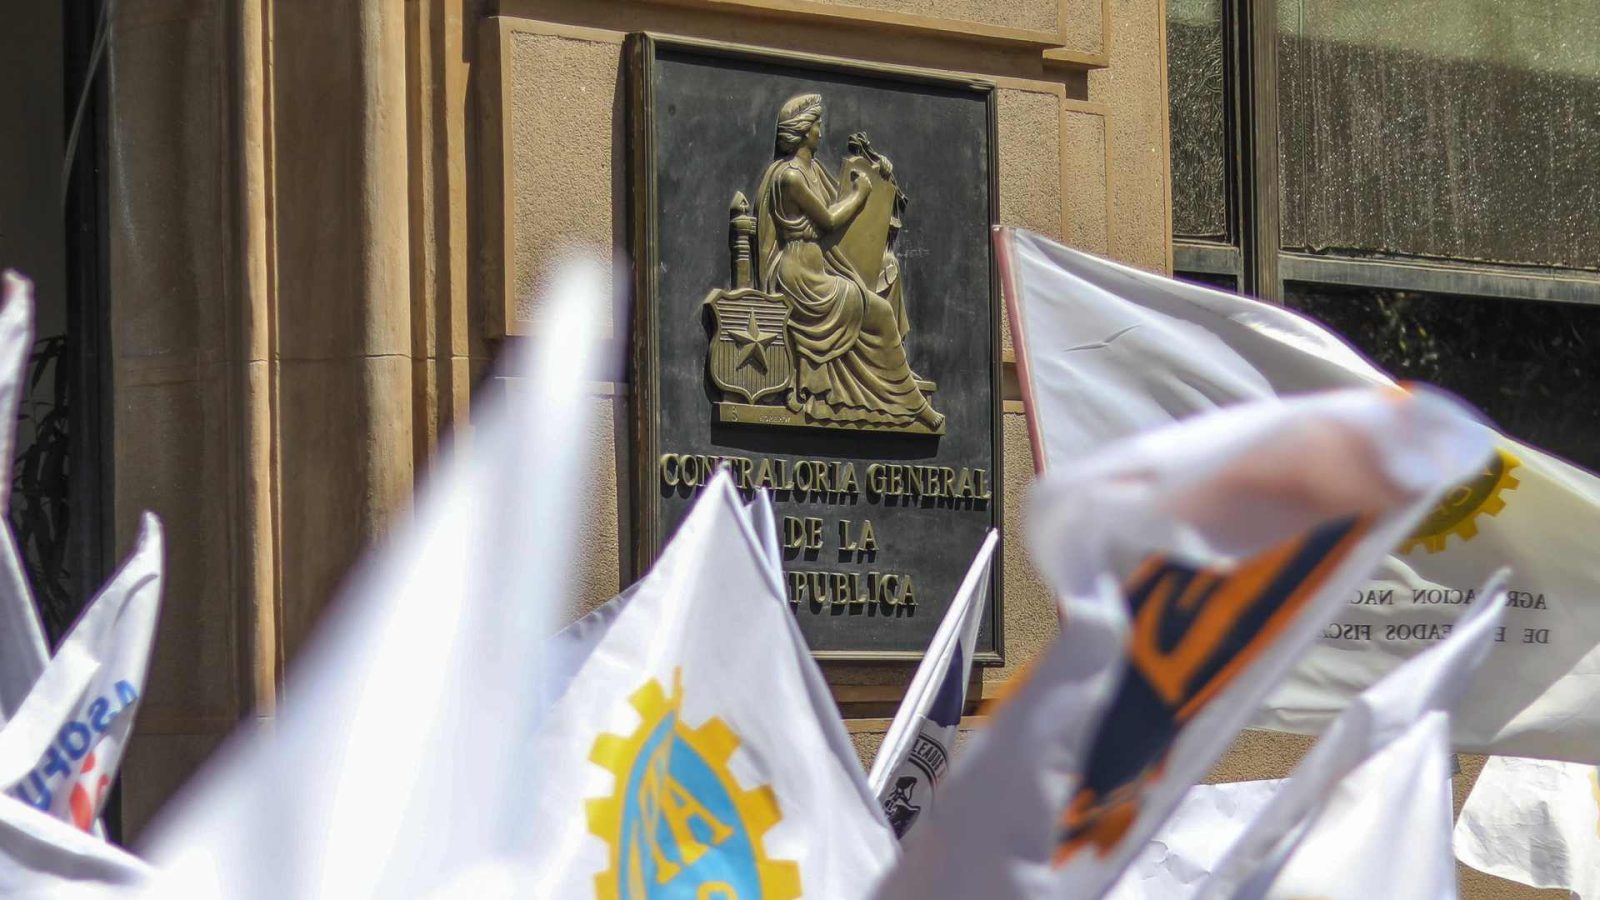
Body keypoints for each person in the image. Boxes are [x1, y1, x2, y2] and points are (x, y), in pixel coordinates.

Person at [753, 93, 944, 432]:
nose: (821, 131)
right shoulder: (790, 177)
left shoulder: (813, 170)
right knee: (878, 312)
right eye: (817, 124)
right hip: (801, 279)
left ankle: (895, 393)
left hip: (819, 270)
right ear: (803, 130)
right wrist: (860, 194)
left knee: (881, 298)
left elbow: (842, 196)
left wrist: (878, 171)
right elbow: (829, 219)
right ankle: (911, 403)